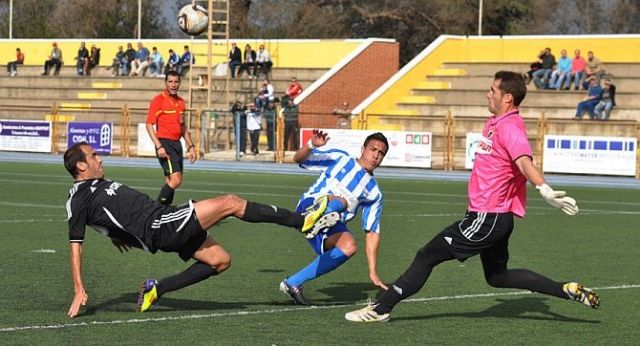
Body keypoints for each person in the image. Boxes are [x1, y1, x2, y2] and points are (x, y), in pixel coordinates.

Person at [344, 71, 599, 323]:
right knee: (497, 278)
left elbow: (523, 161)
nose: (487, 94)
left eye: (493, 90)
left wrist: (545, 189)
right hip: (495, 219)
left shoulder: (510, 127)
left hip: (487, 219)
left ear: (507, 98)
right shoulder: (495, 123)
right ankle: (564, 289)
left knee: (426, 255)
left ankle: (381, 308)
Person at [63, 142, 335, 318]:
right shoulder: (78, 198)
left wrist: (113, 235)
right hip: (161, 225)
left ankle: (157, 289)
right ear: (81, 165)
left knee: (220, 261)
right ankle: (302, 221)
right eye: (93, 156)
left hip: (163, 222)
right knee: (231, 202)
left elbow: (108, 216)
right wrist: (78, 288)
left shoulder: (97, 185)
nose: (100, 158)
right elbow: (76, 242)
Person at [279, 130, 389, 305]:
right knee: (342, 201)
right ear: (363, 149)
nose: (376, 155)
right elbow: (298, 159)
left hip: (329, 225)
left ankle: (292, 283)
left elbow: (372, 232)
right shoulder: (341, 158)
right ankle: (316, 215)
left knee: (349, 246)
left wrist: (373, 271)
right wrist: (311, 145)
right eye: (373, 149)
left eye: (381, 153)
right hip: (309, 205)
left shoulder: (374, 193)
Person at [145, 70, 196, 206]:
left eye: (176, 82)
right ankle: (155, 210)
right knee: (176, 179)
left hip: (177, 145)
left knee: (170, 180)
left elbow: (183, 126)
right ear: (166, 83)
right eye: (170, 82)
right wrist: (158, 146)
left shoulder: (181, 102)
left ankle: (163, 213)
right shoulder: (158, 100)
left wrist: (191, 147)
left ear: (179, 83)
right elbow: (149, 125)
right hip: (164, 144)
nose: (173, 85)